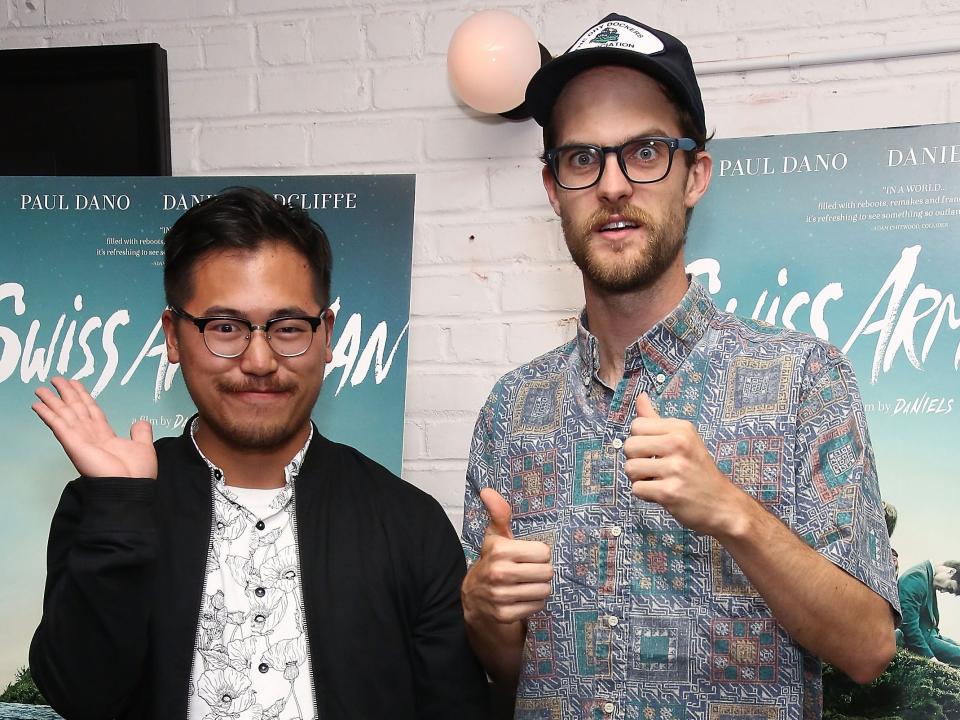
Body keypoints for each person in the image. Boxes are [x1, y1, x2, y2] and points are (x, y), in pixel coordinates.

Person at [460, 13, 900, 719]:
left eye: (644, 152)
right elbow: (511, 673)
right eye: (582, 159)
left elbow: (869, 648)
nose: (611, 185)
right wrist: (486, 614)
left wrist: (733, 513)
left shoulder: (805, 381)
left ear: (694, 174)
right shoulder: (511, 411)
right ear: (553, 188)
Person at [29, 187, 488, 720]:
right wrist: (122, 509)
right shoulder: (107, 507)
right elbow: (80, 696)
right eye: (224, 328)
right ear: (173, 337)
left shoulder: (408, 522)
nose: (260, 359)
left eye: (288, 327)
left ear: (327, 334)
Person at [896, 560, 960, 666]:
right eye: (949, 587)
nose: (943, 591)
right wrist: (930, 657)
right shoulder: (916, 578)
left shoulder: (927, 578)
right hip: (922, 640)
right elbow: (907, 625)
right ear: (951, 571)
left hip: (931, 636)